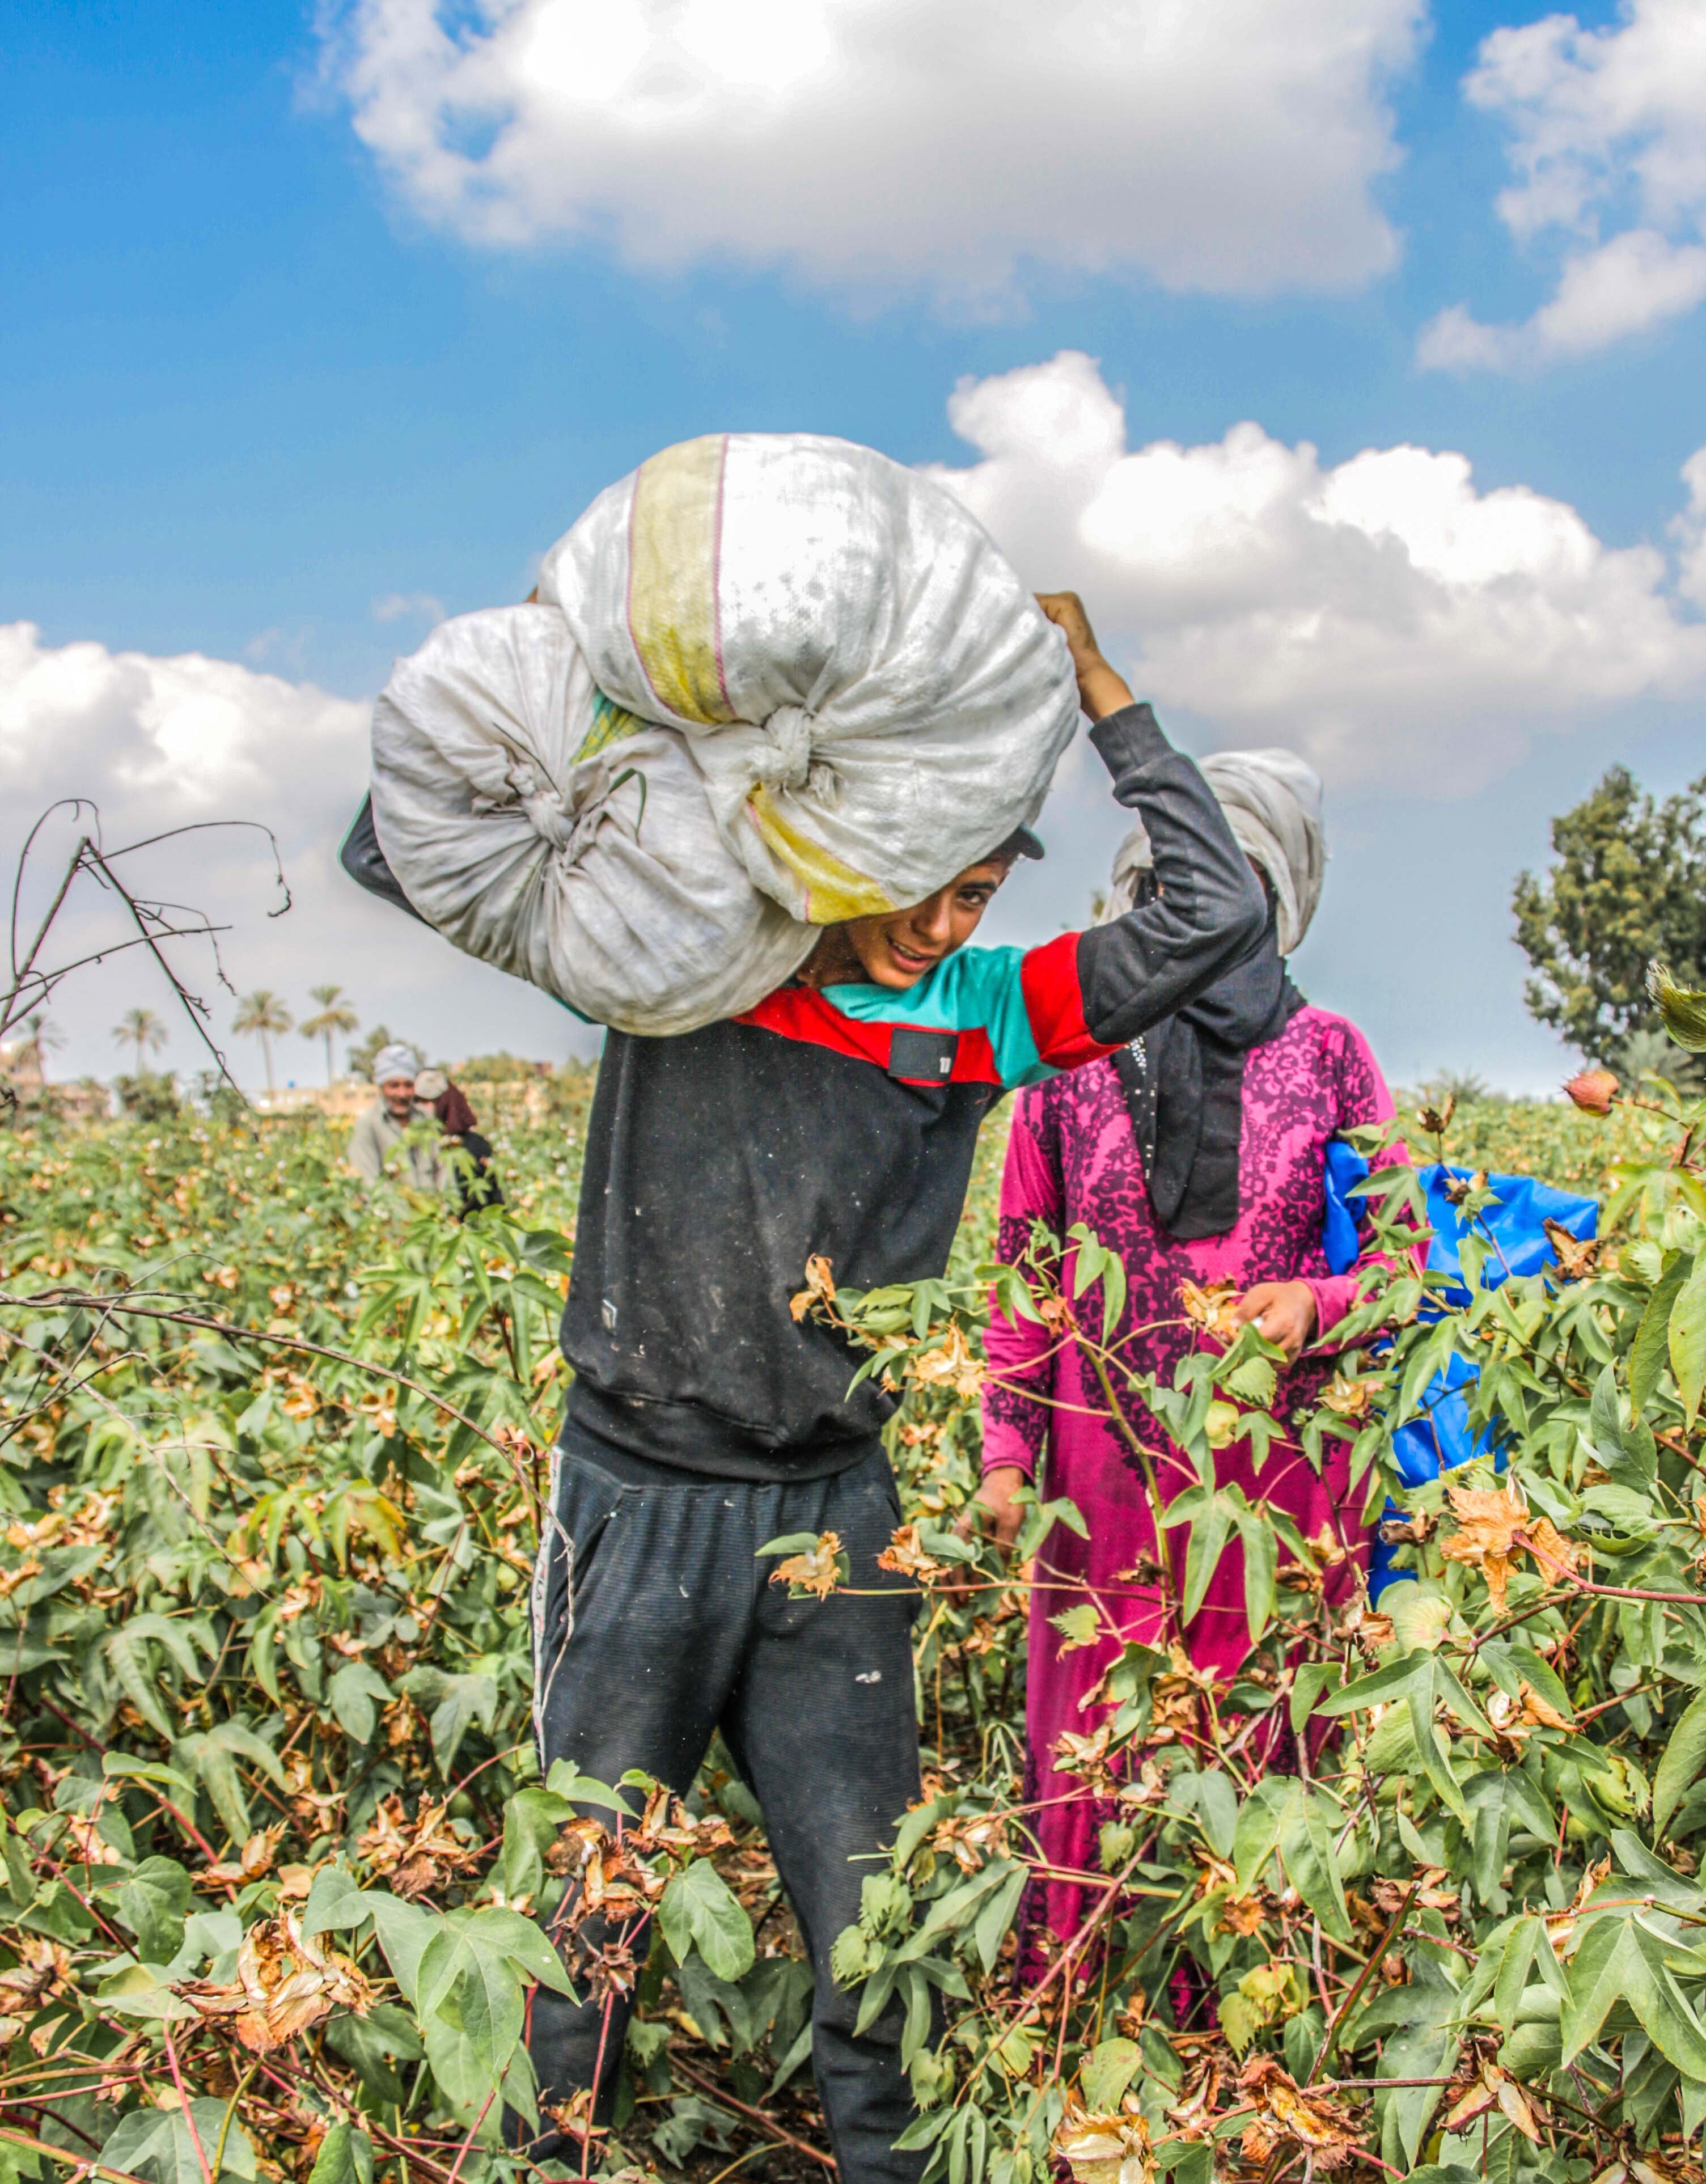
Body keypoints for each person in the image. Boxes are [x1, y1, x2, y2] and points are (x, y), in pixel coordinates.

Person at [345, 594, 1267, 2182]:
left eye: (978, 892)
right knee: (583, 1920)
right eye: (923, 886)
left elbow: (1211, 918)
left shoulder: (985, 1012)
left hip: (838, 1521)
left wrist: (1112, 701)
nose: (942, 925)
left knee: (875, 1929)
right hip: (637, 1500)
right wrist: (664, 719)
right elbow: (401, 842)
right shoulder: (690, 953)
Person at [975, 751, 1408, 1947]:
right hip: (1101, 1476)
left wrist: (1313, 1308)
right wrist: (1007, 1451)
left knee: (1261, 1744)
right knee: (1103, 1745)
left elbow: (1402, 1267)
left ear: (1276, 901)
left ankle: (1253, 2042)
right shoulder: (1068, 1064)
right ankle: (1092, 2006)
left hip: (1280, 1481)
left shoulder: (1331, 1054)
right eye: (1173, 897)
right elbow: (1025, 1274)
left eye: (1230, 896)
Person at [345, 1043, 442, 1192]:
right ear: (381, 1086)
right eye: (394, 1085)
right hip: (391, 1213)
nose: (402, 1094)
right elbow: (368, 1183)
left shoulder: (426, 1120)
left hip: (434, 1211)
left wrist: (447, 1208)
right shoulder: (367, 1124)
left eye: (408, 1085)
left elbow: (443, 1173)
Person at [413, 1067, 503, 1212]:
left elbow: (491, 1196)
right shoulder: (419, 1144)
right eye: (418, 1101)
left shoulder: (474, 1146)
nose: (421, 1108)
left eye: (427, 1101)